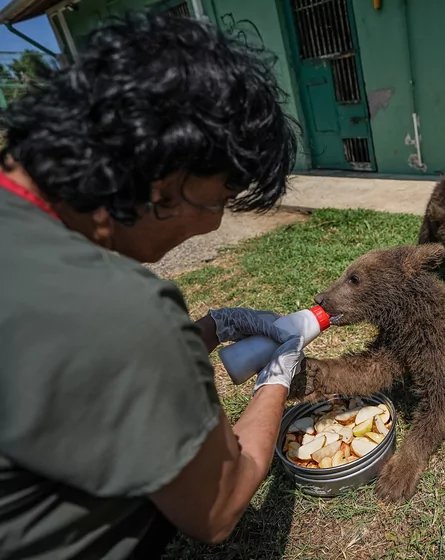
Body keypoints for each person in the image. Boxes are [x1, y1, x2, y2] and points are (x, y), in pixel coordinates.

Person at [0, 10, 307, 559]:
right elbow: (219, 507)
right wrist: (276, 379)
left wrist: (210, 330)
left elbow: (76, 365)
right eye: (222, 200)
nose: (217, 220)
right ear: (166, 188)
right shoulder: (122, 307)